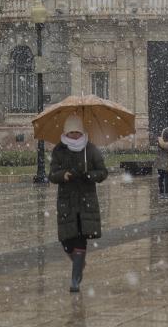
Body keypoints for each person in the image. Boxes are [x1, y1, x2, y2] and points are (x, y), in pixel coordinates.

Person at [49, 115, 108, 293]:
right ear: (66, 132)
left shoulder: (90, 149)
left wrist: (90, 175)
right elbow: (52, 174)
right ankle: (78, 261)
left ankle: (75, 279)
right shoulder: (59, 150)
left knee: (80, 239)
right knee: (66, 241)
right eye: (71, 132)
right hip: (66, 201)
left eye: (77, 131)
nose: (75, 135)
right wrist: (63, 175)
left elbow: (103, 172)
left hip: (86, 201)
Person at [155, 127, 168, 198]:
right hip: (167, 162)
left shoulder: (160, 141)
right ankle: (166, 192)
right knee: (167, 178)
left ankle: (161, 193)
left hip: (160, 162)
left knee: (161, 178)